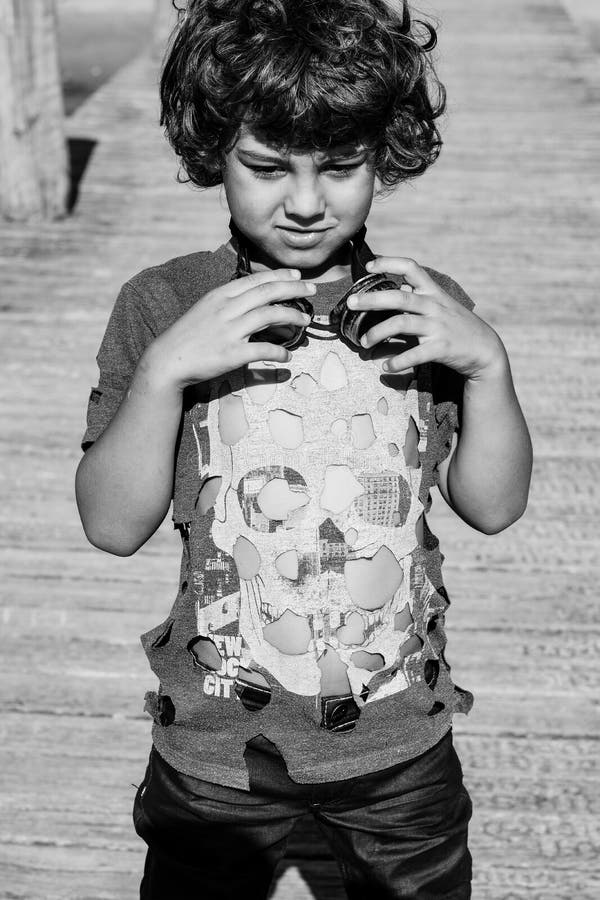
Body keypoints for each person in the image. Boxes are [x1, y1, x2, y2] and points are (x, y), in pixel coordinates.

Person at [75, 1, 532, 897]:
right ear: (214, 151)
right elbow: (110, 524)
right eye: (266, 166)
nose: (306, 201)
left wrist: (488, 363)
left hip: (403, 742)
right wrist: (166, 372)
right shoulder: (164, 303)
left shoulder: (422, 303)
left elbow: (493, 504)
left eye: (342, 165)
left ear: (384, 155)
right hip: (212, 748)